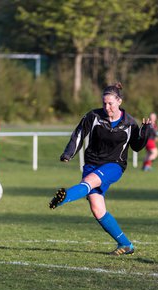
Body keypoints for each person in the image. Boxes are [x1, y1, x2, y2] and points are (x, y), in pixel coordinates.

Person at [49, 82, 151, 256]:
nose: (107, 107)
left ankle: (64, 198)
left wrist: (145, 132)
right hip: (92, 164)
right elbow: (79, 133)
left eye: (110, 103)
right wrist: (68, 153)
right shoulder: (94, 116)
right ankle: (125, 244)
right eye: (104, 103)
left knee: (88, 182)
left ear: (119, 101)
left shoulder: (129, 123)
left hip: (114, 165)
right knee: (97, 208)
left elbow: (136, 146)